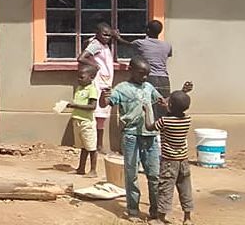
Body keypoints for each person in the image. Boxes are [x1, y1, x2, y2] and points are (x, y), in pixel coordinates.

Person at [105, 56, 163, 221]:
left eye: (147, 74)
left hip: (150, 136)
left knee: (154, 175)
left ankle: (155, 211)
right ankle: (133, 210)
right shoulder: (121, 88)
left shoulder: (149, 87)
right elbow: (106, 103)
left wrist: (181, 94)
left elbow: (162, 102)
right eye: (141, 73)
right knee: (132, 175)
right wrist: (104, 97)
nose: (144, 77)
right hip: (131, 136)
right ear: (130, 70)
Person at [150, 90, 196, 224]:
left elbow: (150, 126)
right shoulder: (187, 119)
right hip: (183, 160)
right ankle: (187, 218)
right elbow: (174, 114)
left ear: (170, 105)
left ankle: (160, 218)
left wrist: (147, 111)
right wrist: (168, 106)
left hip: (169, 162)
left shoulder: (164, 121)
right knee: (185, 189)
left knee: (165, 189)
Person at [119, 20, 173, 118]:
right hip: (164, 79)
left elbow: (127, 44)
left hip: (148, 78)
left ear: (147, 30)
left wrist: (117, 37)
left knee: (147, 106)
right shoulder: (167, 45)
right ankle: (161, 126)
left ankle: (149, 126)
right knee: (163, 105)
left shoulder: (140, 43)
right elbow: (168, 55)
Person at [78, 23, 116, 153]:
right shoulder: (96, 45)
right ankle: (93, 145)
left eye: (109, 35)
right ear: (97, 33)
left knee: (102, 115)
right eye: (104, 34)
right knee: (96, 113)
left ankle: (99, 145)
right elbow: (81, 58)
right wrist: (94, 66)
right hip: (98, 83)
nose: (107, 37)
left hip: (105, 83)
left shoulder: (103, 45)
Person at [66, 62, 101, 176]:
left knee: (91, 147)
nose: (79, 79)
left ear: (91, 77)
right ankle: (81, 168)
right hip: (77, 121)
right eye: (78, 77)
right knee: (83, 147)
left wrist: (75, 106)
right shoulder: (79, 88)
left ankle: (93, 170)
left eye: (82, 77)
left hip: (87, 122)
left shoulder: (92, 90)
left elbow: (92, 106)